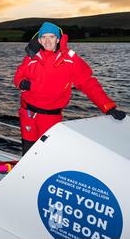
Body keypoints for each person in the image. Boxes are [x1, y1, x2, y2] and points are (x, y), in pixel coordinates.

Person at [14, 21, 126, 154]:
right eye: (44, 37)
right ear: (39, 39)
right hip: (28, 114)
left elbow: (88, 83)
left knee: (48, 154)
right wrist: (21, 82)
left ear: (58, 39)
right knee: (27, 152)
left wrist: (107, 106)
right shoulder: (31, 58)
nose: (47, 41)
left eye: (51, 37)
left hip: (51, 118)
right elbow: (18, 75)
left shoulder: (70, 60)